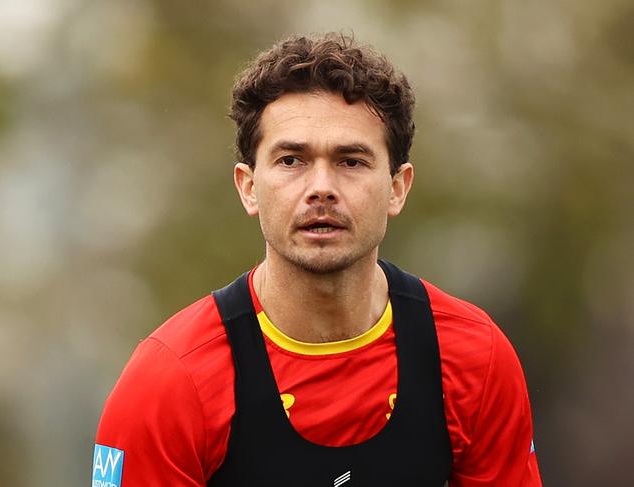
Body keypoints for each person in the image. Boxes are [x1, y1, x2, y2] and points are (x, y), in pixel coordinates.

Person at [93, 33, 542, 486]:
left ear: (397, 187)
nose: (321, 188)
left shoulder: (474, 358)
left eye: (351, 161)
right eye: (291, 160)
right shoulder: (171, 381)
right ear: (249, 187)